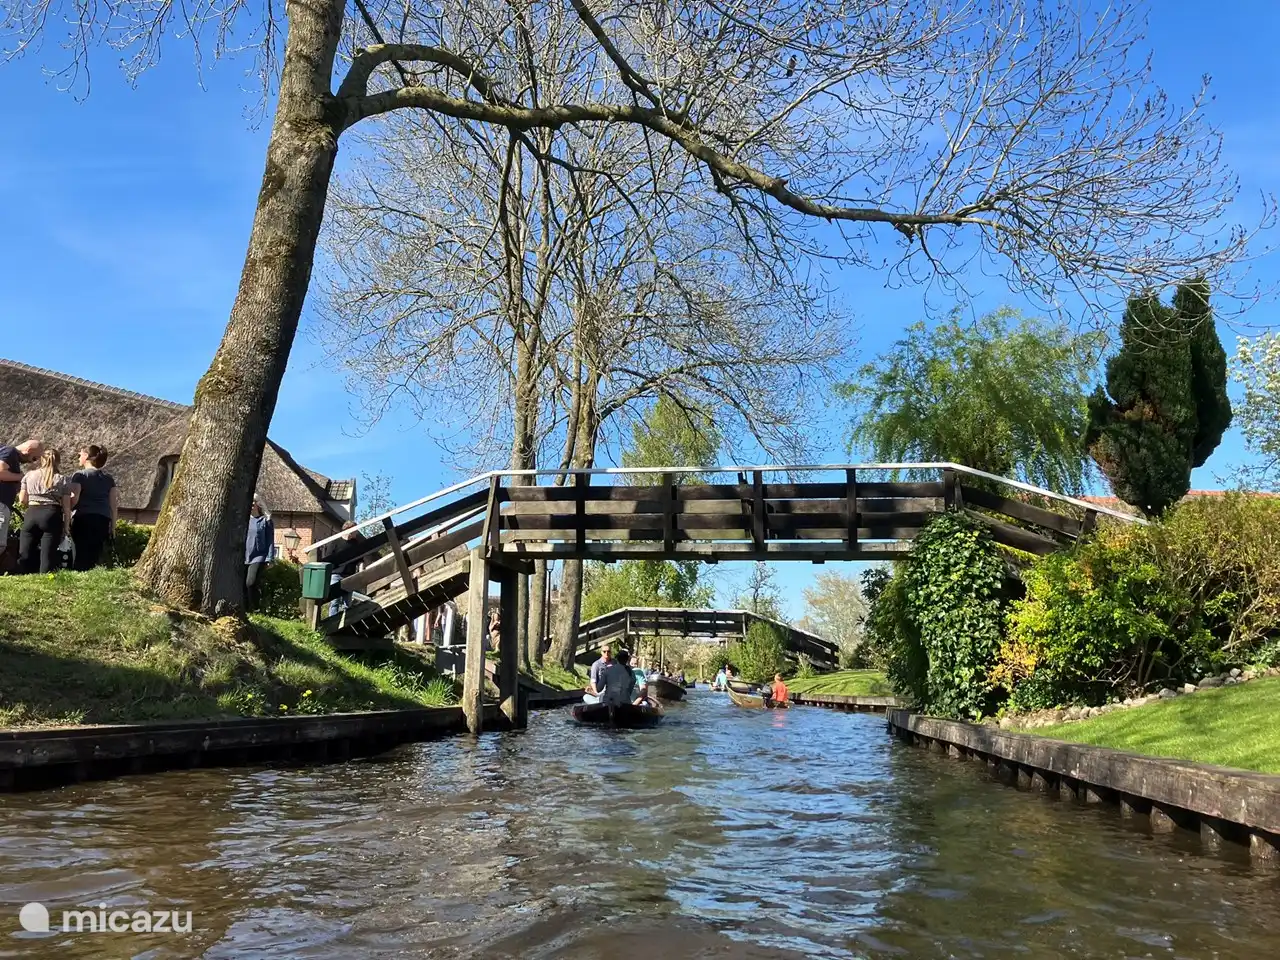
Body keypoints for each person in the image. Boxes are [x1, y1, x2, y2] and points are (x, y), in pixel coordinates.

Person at [18, 448, 73, 574]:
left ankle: (24, 577)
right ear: (57, 462)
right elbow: (66, 507)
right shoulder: (62, 479)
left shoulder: (29, 475)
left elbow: (22, 500)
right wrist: (66, 527)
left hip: (32, 512)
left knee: (26, 552)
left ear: (41, 460)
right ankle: (45, 579)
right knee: (48, 555)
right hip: (51, 513)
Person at [69, 444, 118, 571]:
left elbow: (74, 498)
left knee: (80, 552)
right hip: (102, 519)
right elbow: (113, 504)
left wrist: (65, 510)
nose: (78, 457)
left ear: (86, 456)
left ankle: (79, 578)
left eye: (80, 455)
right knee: (94, 553)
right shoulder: (108, 479)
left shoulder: (79, 475)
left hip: (83, 517)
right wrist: (113, 526)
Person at [0, 439, 42, 563]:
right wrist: (21, 477)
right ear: (28, 451)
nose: (32, 462)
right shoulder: (10, 452)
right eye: (34, 458)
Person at [328, 520, 365, 617]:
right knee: (334, 601)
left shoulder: (356, 543)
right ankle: (332, 624)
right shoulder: (335, 542)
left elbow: (360, 560)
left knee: (347, 603)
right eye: (355, 530)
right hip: (335, 575)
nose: (357, 532)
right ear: (349, 530)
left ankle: (346, 623)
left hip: (349, 575)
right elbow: (328, 559)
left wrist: (361, 573)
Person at [244, 497, 274, 611]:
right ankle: (246, 609)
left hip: (258, 556)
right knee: (242, 585)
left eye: (253, 503)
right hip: (244, 555)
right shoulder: (244, 520)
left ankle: (255, 608)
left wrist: (270, 558)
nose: (251, 505)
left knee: (250, 583)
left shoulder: (265, 521)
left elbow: (270, 540)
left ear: (258, 504)